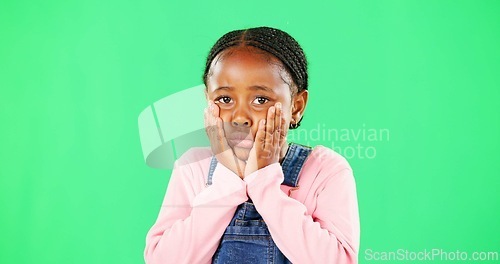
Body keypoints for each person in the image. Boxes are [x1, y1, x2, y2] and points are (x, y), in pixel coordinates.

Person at [144, 26, 360, 264]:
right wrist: (227, 181)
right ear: (208, 102)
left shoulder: (325, 171)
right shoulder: (193, 167)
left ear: (296, 106)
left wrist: (263, 182)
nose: (239, 117)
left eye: (260, 100)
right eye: (225, 99)